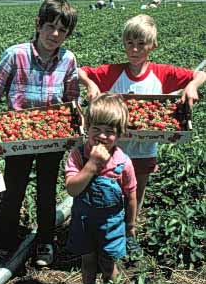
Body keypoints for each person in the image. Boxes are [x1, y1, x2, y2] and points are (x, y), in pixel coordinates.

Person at [0, 0, 79, 268]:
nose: (55, 34)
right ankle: (4, 244)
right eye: (50, 26)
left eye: (62, 30)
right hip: (18, 137)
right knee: (13, 190)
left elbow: (72, 99)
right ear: (38, 24)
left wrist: (76, 125)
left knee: (47, 190)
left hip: (52, 137)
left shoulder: (68, 59)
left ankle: (45, 240)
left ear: (68, 33)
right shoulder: (16, 54)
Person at [78, 14, 206, 218]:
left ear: (152, 45)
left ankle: (131, 228)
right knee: (109, 188)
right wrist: (91, 84)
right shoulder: (113, 72)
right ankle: (109, 227)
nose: (134, 49)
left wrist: (192, 86)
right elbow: (80, 71)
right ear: (124, 44)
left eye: (141, 44)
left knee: (136, 191)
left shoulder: (162, 73)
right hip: (112, 147)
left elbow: (200, 74)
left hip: (145, 149)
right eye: (129, 43)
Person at [65, 93, 137, 284]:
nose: (102, 136)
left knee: (108, 261)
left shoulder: (123, 162)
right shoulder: (78, 156)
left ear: (120, 133)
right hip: (83, 222)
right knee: (87, 260)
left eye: (109, 131)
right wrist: (92, 165)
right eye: (96, 129)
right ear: (86, 127)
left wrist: (130, 225)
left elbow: (131, 196)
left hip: (111, 224)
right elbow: (72, 189)